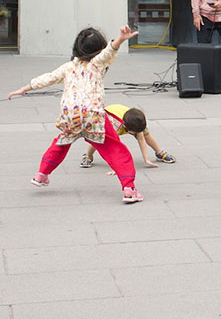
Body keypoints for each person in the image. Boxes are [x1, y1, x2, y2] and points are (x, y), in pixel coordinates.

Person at [7, 25, 144, 203]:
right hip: (93, 115)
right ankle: (129, 189)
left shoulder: (68, 67)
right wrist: (120, 40)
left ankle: (41, 174)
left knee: (61, 143)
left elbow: (47, 78)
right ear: (99, 50)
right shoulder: (97, 64)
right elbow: (109, 52)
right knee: (114, 148)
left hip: (70, 115)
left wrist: (24, 89)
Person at [81, 105, 176, 169]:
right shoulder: (114, 126)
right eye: (136, 132)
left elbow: (141, 139)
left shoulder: (135, 121)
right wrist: (116, 168)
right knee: (97, 139)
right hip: (105, 119)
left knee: (146, 134)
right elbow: (114, 148)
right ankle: (88, 155)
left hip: (128, 117)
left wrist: (146, 159)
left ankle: (159, 153)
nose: (137, 134)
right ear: (129, 130)